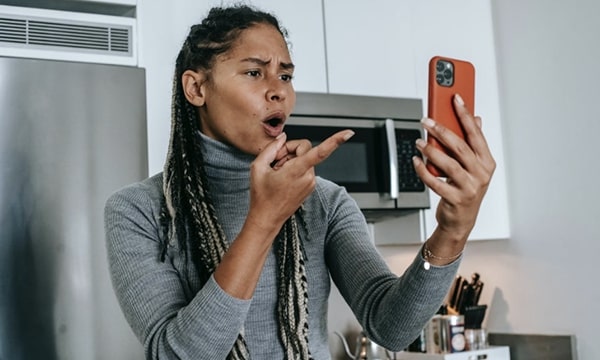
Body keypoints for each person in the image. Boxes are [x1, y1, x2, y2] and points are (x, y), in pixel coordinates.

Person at [103, 4, 495, 360]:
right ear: (197, 88)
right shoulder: (138, 211)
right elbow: (177, 355)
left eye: (285, 75)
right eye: (255, 72)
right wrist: (264, 221)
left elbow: (391, 327)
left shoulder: (324, 202)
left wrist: (452, 231)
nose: (278, 91)